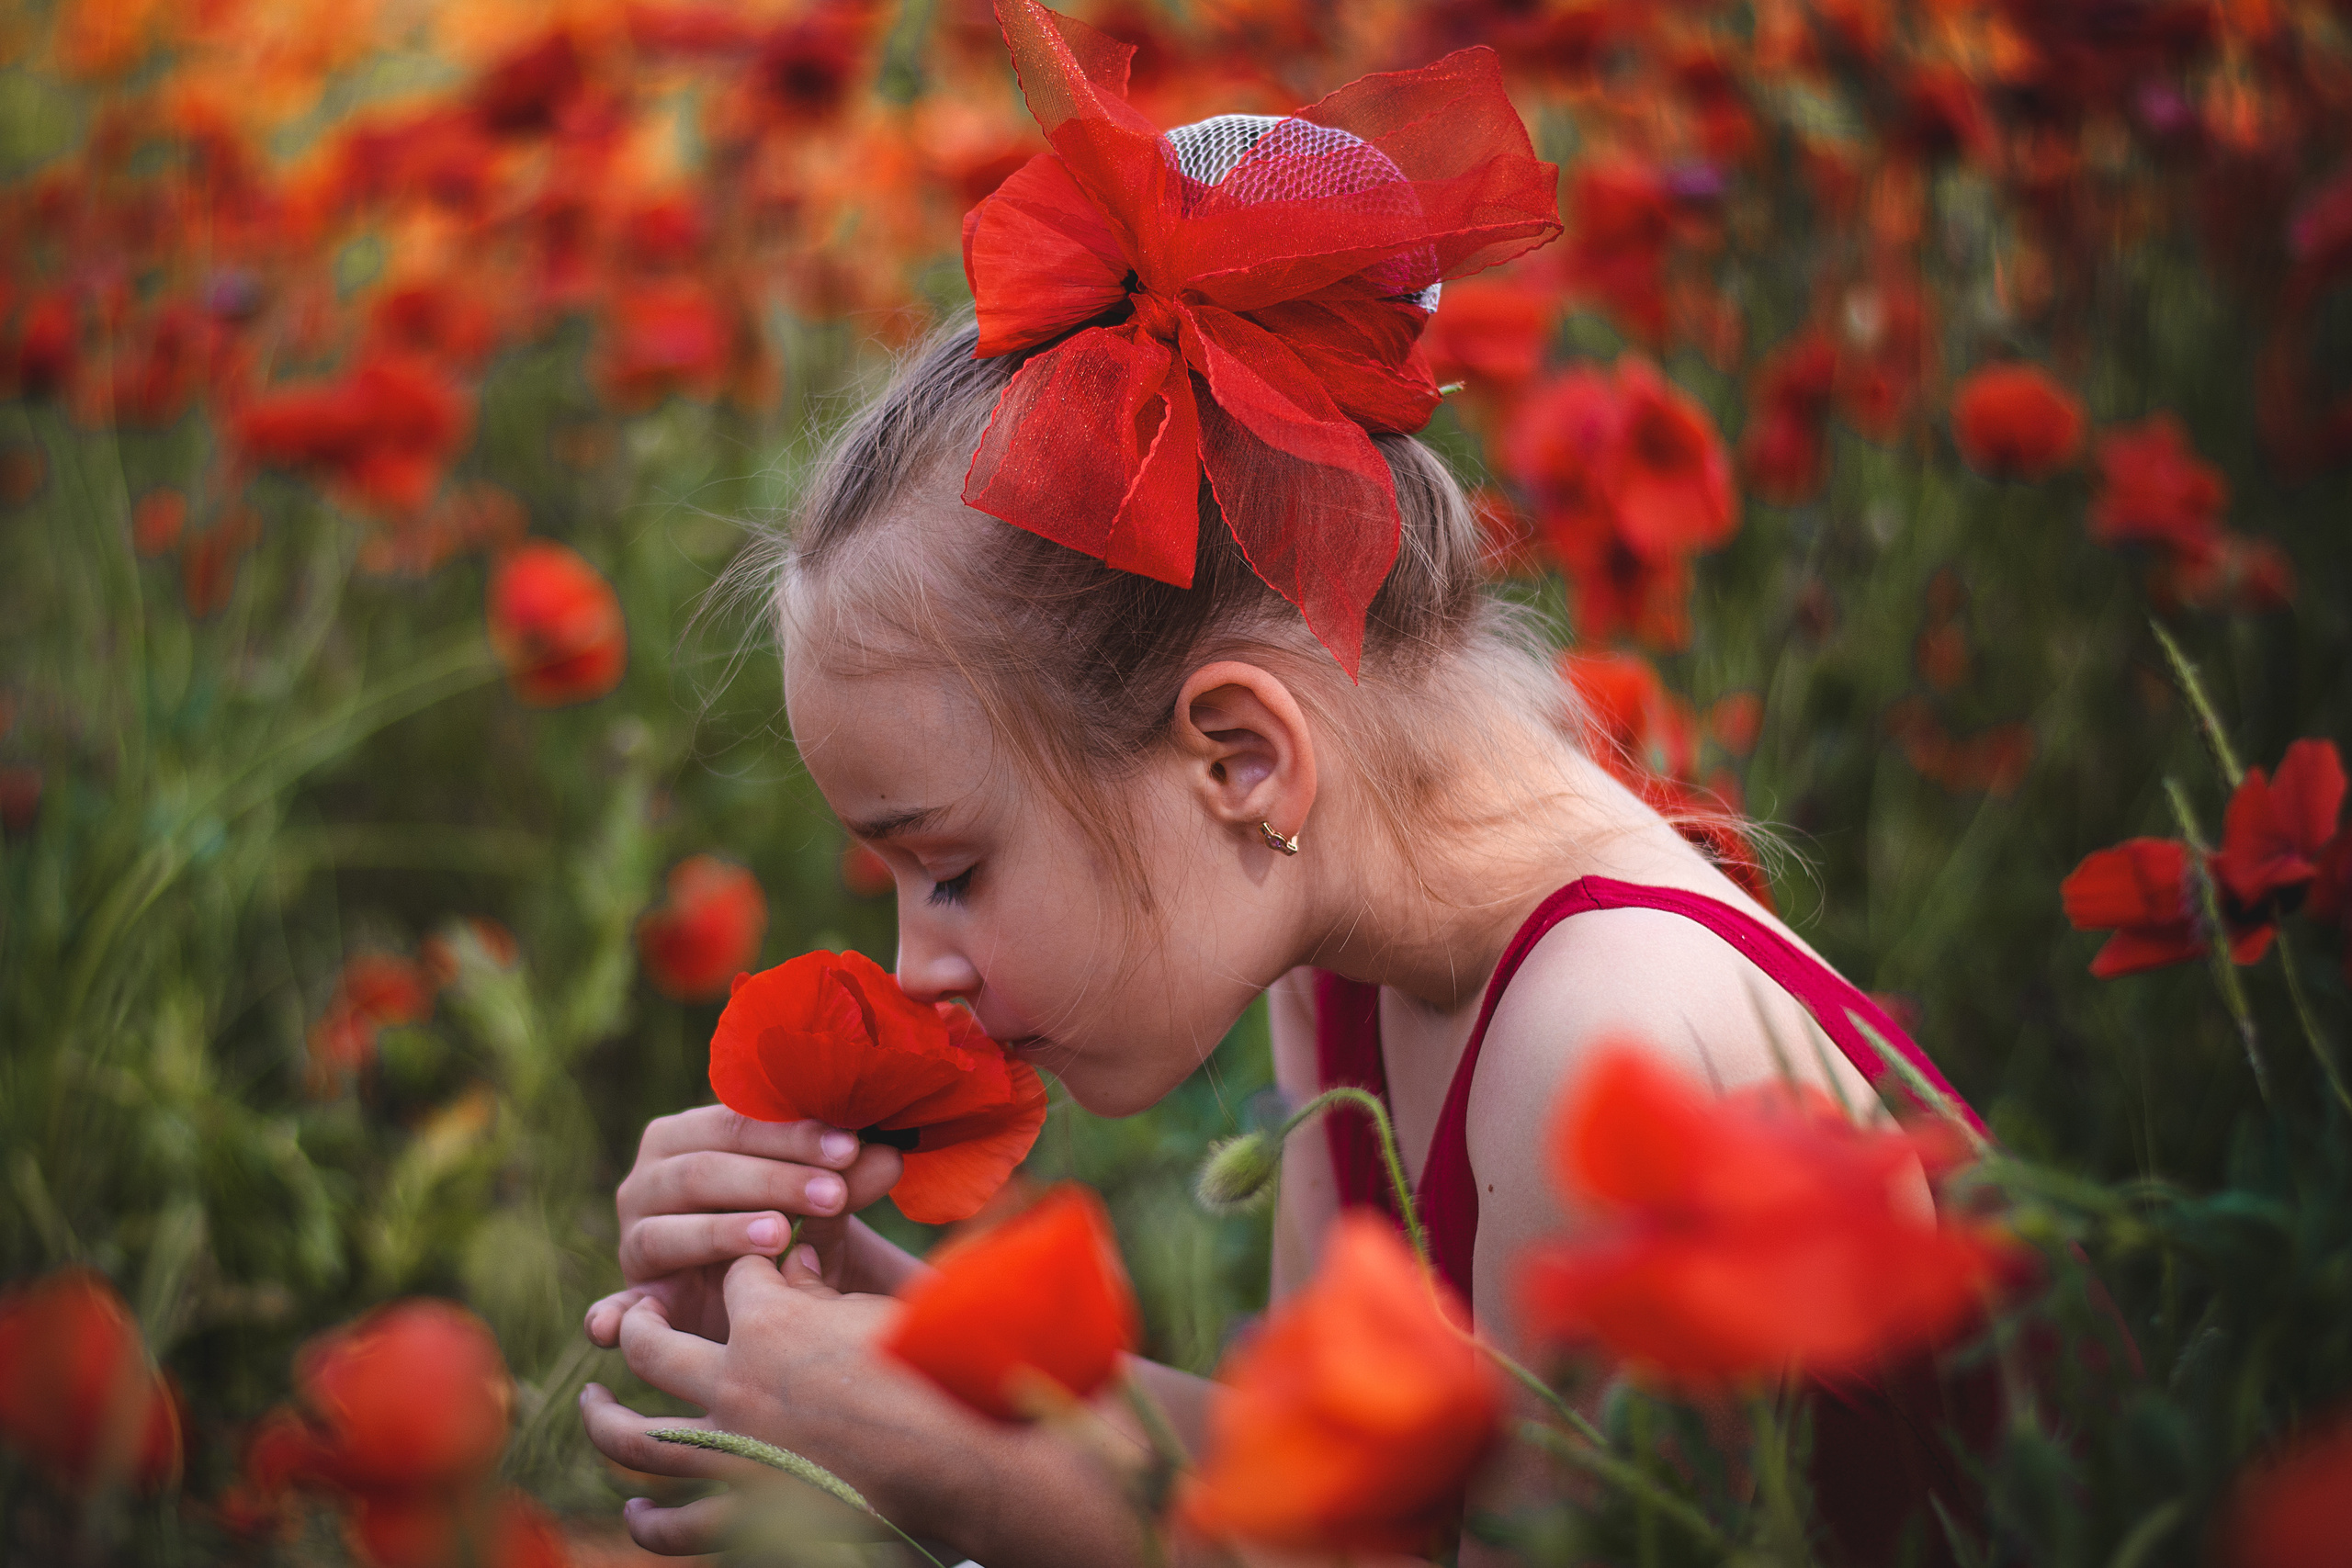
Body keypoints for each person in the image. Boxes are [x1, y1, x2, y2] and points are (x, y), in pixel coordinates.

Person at [578, 4, 1985, 1562]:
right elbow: (1335, 1490)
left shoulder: (1605, 1043)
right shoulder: (1344, 937)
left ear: (1239, 757)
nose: (924, 965)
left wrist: (985, 1488)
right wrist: (902, 1356)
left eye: (953, 867)